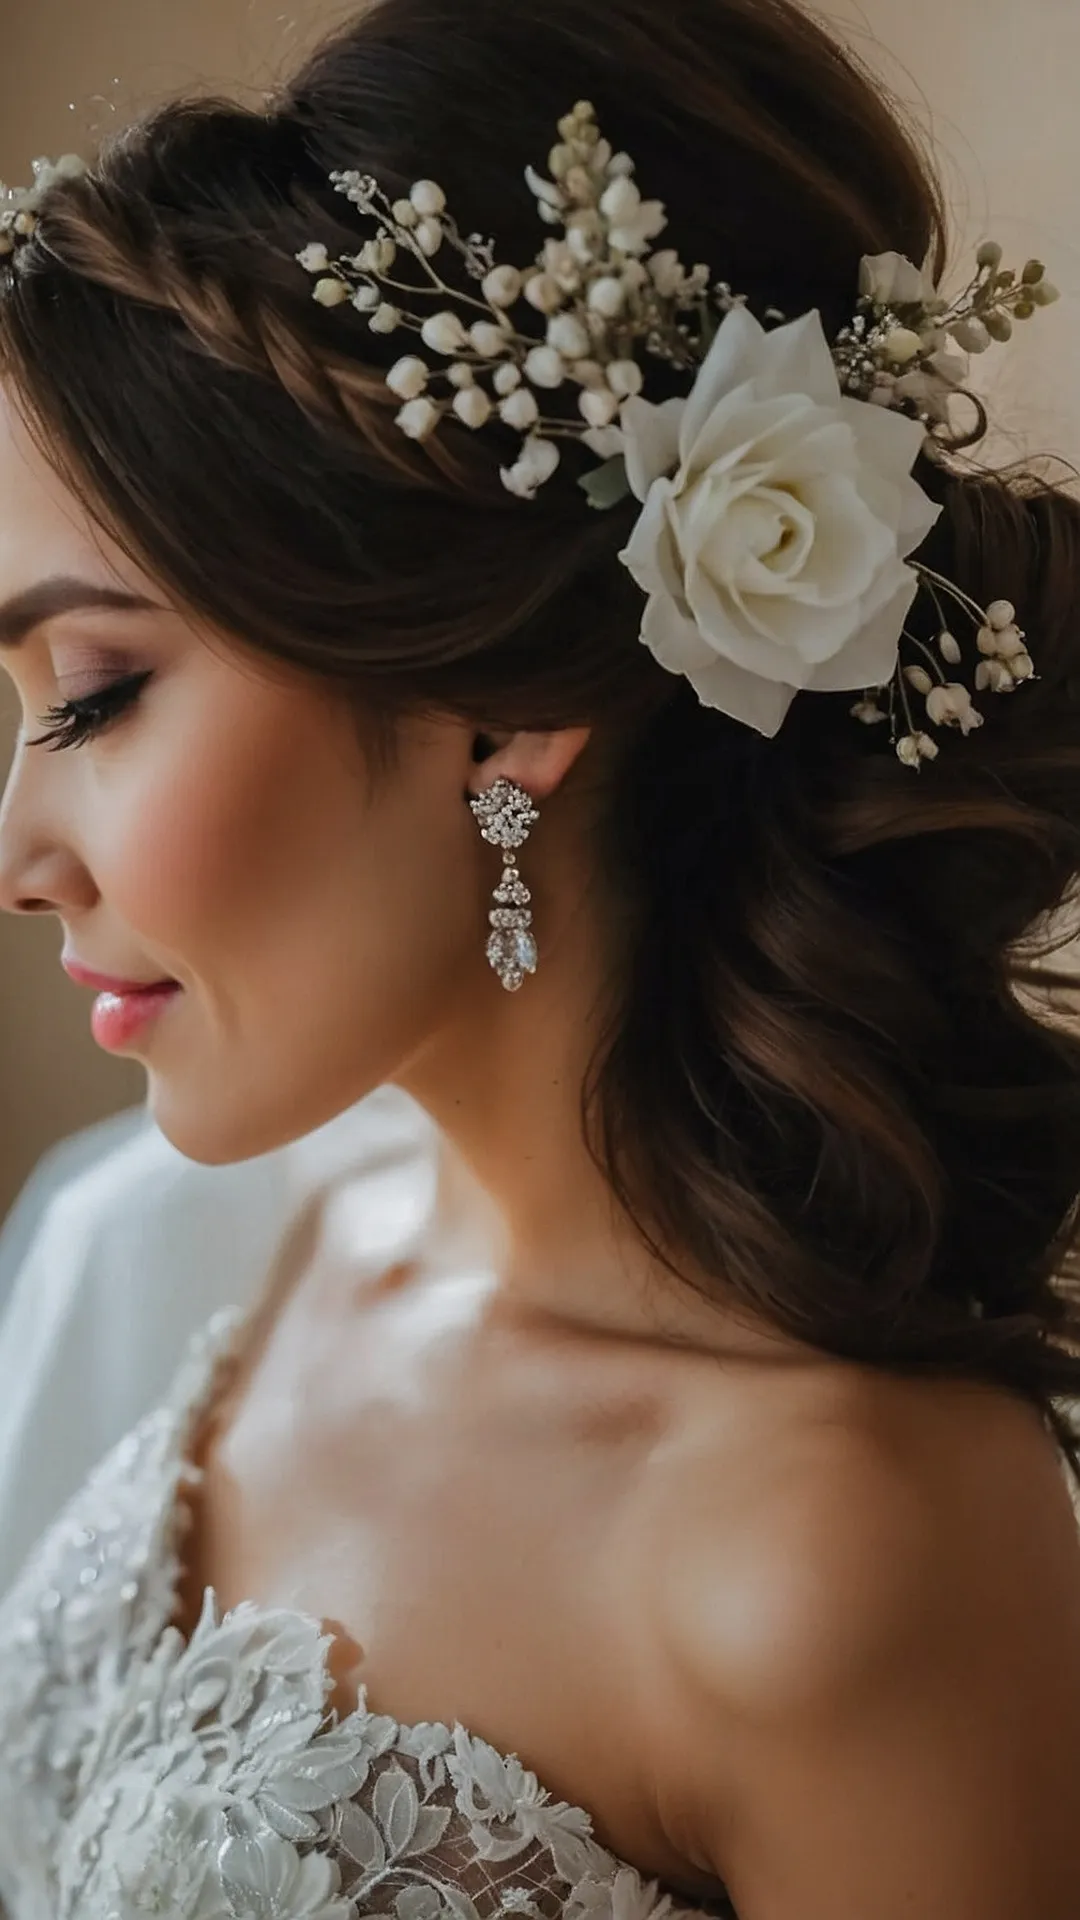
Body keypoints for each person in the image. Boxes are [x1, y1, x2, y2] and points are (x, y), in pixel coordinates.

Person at [0, 0, 1079, 1912]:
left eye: (94, 695)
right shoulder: (249, 1253)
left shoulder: (839, 1550)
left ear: (503, 703)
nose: (20, 855)